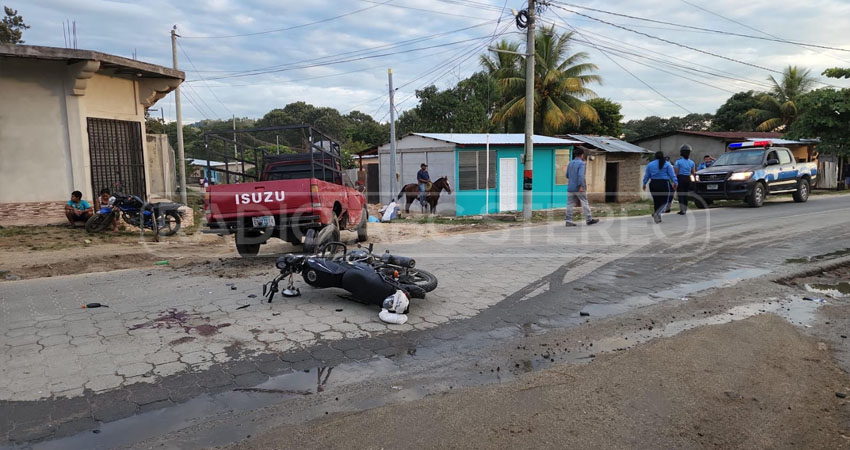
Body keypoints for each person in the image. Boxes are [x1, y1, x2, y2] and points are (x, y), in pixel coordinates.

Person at [564, 147, 599, 227]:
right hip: (579, 187)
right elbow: (581, 175)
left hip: (570, 187)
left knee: (569, 204)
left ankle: (568, 221)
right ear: (582, 155)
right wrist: (581, 186)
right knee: (584, 202)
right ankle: (589, 219)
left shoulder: (570, 163)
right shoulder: (581, 163)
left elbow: (567, 175)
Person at [643, 151, 677, 223]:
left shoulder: (650, 164)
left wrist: (644, 184)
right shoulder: (667, 164)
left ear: (655, 156)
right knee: (665, 201)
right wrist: (675, 183)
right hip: (664, 184)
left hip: (653, 184)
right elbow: (672, 175)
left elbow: (646, 175)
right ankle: (657, 213)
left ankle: (658, 217)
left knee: (656, 201)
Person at [674, 144, 696, 215]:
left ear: (681, 152)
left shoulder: (678, 162)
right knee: (686, 194)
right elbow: (693, 173)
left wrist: (675, 181)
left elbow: (676, 173)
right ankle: (685, 209)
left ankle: (682, 210)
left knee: (680, 194)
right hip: (688, 178)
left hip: (680, 178)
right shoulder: (692, 162)